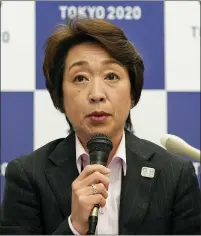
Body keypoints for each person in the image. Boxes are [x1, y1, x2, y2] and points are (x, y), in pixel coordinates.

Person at [0, 17, 200, 235]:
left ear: (132, 93)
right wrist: (73, 226)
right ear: (60, 97)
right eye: (80, 78)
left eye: (111, 76)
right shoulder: (27, 176)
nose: (96, 94)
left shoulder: (175, 175)